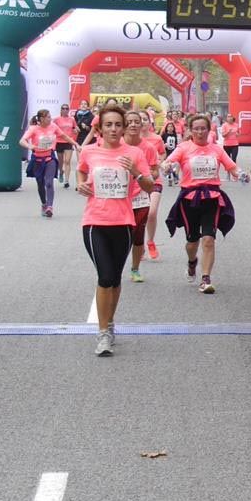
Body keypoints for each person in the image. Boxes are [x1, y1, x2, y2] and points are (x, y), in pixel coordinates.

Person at [74, 106, 154, 356]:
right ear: (99, 127)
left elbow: (150, 185)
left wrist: (135, 171)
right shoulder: (89, 151)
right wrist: (80, 184)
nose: (114, 129)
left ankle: (109, 322)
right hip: (95, 222)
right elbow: (82, 170)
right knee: (105, 277)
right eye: (108, 125)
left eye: (117, 124)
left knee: (116, 279)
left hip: (123, 222)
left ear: (124, 127)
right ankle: (103, 333)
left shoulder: (135, 153)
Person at [163, 113, 250, 294]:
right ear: (190, 130)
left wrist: (241, 174)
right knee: (192, 240)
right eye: (196, 129)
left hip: (212, 198)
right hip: (189, 199)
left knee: (209, 239)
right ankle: (192, 262)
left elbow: (231, 167)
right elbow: (169, 162)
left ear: (209, 129)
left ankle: (205, 279)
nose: (200, 132)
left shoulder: (216, 150)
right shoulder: (184, 147)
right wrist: (167, 166)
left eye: (203, 128)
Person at [122, 111, 161, 283]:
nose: (133, 125)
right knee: (121, 235)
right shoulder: (116, 144)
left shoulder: (149, 148)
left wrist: (143, 173)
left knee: (137, 235)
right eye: (129, 121)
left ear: (142, 125)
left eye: (136, 122)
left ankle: (135, 268)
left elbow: (155, 171)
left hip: (141, 194)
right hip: (119, 196)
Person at [19, 109, 79, 218]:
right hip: (37, 159)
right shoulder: (33, 129)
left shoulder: (53, 127)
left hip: (49, 157)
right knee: (40, 184)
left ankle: (50, 207)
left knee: (49, 183)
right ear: (41, 119)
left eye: (50, 116)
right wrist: (30, 146)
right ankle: (44, 203)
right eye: (48, 117)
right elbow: (22, 141)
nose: (50, 119)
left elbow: (64, 136)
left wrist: (75, 144)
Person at [136, 111, 167, 261]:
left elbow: (162, 154)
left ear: (149, 122)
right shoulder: (129, 140)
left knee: (152, 212)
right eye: (139, 119)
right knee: (139, 217)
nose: (142, 122)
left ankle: (151, 241)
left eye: (145, 119)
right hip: (136, 183)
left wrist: (158, 162)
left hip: (154, 179)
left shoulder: (157, 139)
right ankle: (139, 245)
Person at [53, 104, 79, 189]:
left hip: (68, 141)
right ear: (61, 110)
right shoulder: (56, 119)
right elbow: (52, 129)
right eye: (63, 108)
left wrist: (76, 130)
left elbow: (76, 128)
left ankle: (66, 180)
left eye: (67, 109)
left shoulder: (72, 119)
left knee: (67, 161)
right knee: (61, 162)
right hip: (59, 142)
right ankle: (61, 172)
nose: (65, 110)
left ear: (68, 110)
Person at [220, 115, 240, 181]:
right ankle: (228, 174)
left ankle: (234, 175)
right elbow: (223, 135)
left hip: (235, 144)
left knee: (233, 159)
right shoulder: (224, 125)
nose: (229, 118)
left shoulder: (236, 125)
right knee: (227, 161)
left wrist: (238, 134)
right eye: (228, 117)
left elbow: (239, 133)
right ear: (227, 118)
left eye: (231, 116)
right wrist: (228, 132)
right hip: (227, 144)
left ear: (233, 118)